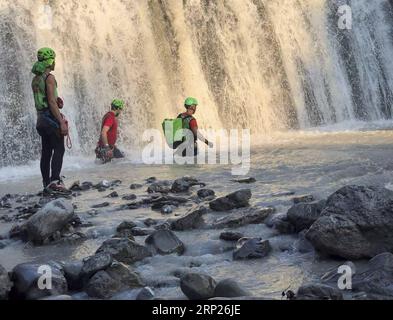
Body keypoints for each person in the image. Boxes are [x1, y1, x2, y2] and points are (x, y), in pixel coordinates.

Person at [32, 47, 71, 195]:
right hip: (50, 118)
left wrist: (55, 100)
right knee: (59, 149)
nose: (55, 62)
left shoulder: (36, 79)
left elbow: (44, 100)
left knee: (46, 152)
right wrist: (61, 121)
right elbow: (51, 102)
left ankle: (46, 183)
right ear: (50, 61)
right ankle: (55, 181)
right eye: (53, 59)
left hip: (40, 119)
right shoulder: (50, 78)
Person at [96, 99, 126, 163]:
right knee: (107, 169)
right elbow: (104, 132)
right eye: (120, 109)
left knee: (123, 161)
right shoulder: (111, 117)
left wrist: (112, 145)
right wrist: (107, 148)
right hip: (105, 149)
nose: (120, 111)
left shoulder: (107, 115)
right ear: (117, 108)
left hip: (109, 147)